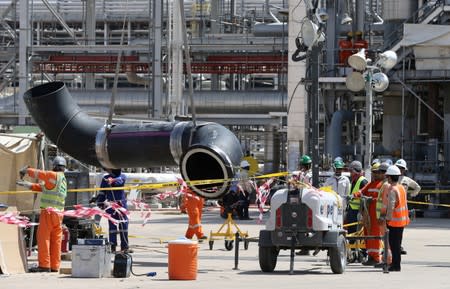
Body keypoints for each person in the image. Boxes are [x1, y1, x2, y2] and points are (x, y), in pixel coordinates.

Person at [16, 156, 68, 273]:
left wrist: (26, 170)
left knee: (43, 238)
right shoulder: (62, 179)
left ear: (54, 166)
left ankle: (44, 265)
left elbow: (39, 174)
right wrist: (27, 184)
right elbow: (44, 188)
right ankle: (55, 266)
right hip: (59, 215)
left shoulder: (52, 175)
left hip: (48, 213)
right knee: (56, 240)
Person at [354, 162, 386, 266]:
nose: (375, 174)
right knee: (367, 235)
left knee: (375, 236)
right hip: (368, 216)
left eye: (377, 172)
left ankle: (376, 258)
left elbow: (384, 199)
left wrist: (373, 199)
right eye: (374, 172)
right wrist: (354, 195)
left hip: (377, 216)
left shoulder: (384, 185)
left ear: (383, 173)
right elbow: (362, 192)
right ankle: (370, 256)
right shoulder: (371, 184)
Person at [379, 165, 410, 272]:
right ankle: (396, 264)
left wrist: (387, 219)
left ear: (390, 177)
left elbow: (391, 207)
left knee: (394, 245)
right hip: (402, 221)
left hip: (394, 222)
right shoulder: (401, 188)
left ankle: (396, 265)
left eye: (388, 176)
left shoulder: (392, 190)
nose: (387, 178)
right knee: (397, 244)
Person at [97, 168, 130, 253]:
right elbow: (102, 192)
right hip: (111, 206)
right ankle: (112, 246)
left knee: (124, 226)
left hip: (121, 205)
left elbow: (119, 182)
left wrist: (112, 180)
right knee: (112, 227)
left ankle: (125, 247)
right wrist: (100, 202)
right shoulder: (105, 178)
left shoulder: (122, 176)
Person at [395, 158, 420, 255]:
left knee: (400, 229)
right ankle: (389, 247)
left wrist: (411, 195)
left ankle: (398, 246)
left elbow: (417, 187)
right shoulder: (389, 178)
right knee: (389, 229)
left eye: (401, 168)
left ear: (404, 170)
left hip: (402, 208)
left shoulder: (406, 180)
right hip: (392, 206)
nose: (400, 170)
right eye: (398, 167)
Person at [346, 160, 368, 235]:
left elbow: (365, 199)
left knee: (358, 233)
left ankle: (360, 247)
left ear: (355, 171)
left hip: (358, 212)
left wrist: (363, 214)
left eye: (351, 171)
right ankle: (352, 246)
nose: (350, 174)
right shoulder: (353, 181)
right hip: (352, 210)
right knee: (351, 232)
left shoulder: (363, 181)